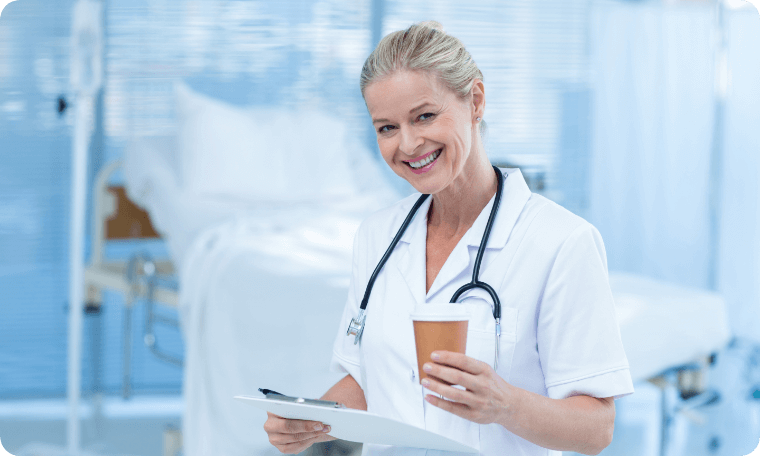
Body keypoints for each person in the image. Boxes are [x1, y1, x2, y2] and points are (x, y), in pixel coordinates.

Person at [263, 21, 634, 456]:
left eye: (424, 116)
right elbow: (369, 381)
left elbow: (596, 428)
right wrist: (313, 420)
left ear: (475, 101)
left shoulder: (562, 242)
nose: (409, 143)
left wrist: (505, 405)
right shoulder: (377, 237)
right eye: (386, 128)